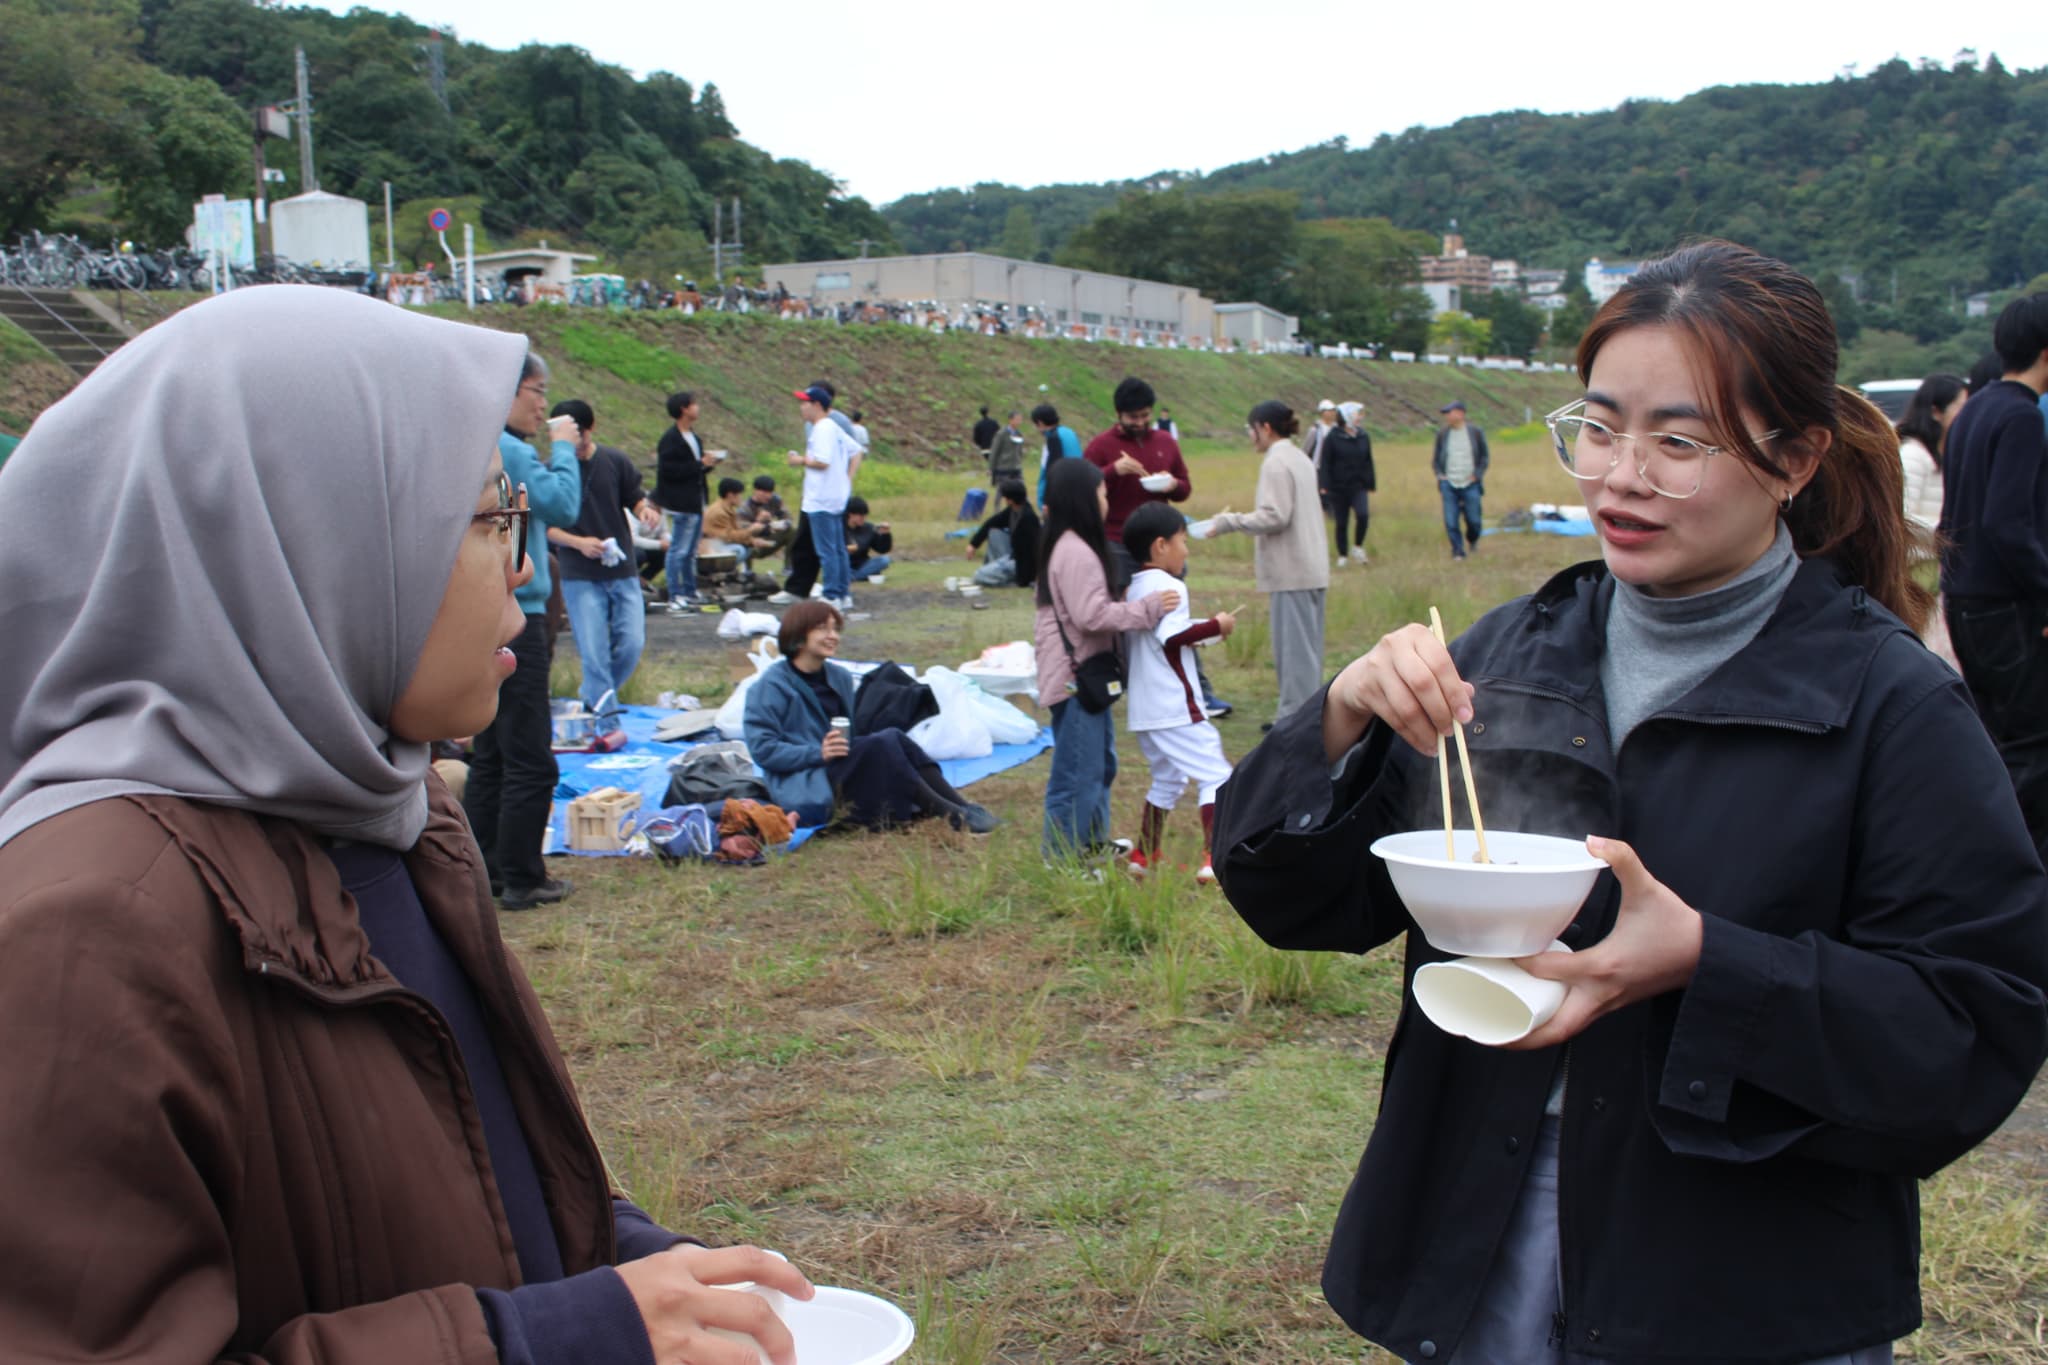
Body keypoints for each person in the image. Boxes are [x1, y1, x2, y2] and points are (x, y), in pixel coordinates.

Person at [1212, 240, 2048, 1365]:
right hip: (1479, 1214)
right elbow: (1292, 901)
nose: (1618, 475)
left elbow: (1970, 1032)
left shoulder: (1888, 704)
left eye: (1679, 440)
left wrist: (1710, 961)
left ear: (1793, 459)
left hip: (1737, 1273)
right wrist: (1337, 716)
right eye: (1598, 428)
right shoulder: (1505, 656)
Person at [0, 285, 816, 1363]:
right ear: (303, 550)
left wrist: (636, 1268)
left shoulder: (396, 813)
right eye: (485, 521)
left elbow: (480, 1173)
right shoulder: (88, 922)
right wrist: (556, 1341)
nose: (523, 572)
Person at [468, 350, 581, 910]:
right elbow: (562, 503)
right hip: (519, 614)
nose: (544, 405)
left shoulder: (476, 445)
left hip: (482, 613)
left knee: (491, 749)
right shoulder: (511, 450)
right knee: (530, 753)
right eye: (538, 392)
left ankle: (484, 868)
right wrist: (563, 446)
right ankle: (523, 875)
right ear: (509, 391)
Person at [1940, 292, 2048, 857]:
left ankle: (1984, 851)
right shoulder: (2022, 416)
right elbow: (2009, 524)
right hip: (2006, 605)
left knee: (1995, 738)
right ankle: (2022, 865)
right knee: (2033, 741)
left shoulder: (1973, 410)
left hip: (1964, 599)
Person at [742, 601, 999, 833]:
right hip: (804, 782)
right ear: (798, 635)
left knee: (893, 738)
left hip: (836, 768)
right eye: (823, 629)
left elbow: (851, 736)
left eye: (835, 629)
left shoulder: (838, 677)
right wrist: (816, 752)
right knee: (884, 741)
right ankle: (951, 814)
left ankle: (962, 807)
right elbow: (763, 750)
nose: (833, 636)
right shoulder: (770, 687)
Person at [1035, 458, 1179, 866]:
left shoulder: (1072, 545)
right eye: (1101, 493)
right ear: (1082, 498)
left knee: (1099, 763)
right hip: (1074, 676)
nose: (1105, 500)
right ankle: (1062, 859)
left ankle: (1092, 841)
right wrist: (1147, 608)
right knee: (1076, 772)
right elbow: (1092, 616)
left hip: (1082, 673)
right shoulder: (1075, 551)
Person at [1119, 502, 1235, 885]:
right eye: (1182, 540)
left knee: (1166, 780)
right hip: (1174, 704)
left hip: (1145, 709)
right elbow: (1173, 637)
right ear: (1160, 546)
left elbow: (1163, 636)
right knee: (1216, 775)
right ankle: (1213, 859)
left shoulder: (1133, 587)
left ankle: (1143, 856)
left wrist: (1211, 630)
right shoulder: (1171, 586)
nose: (1186, 549)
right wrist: (1215, 625)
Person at [1202, 401, 1329, 727]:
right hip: (1311, 568)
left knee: (1294, 654)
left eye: (1252, 430)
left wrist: (1229, 521)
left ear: (1265, 428)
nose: (1251, 437)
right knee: (1308, 652)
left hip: (1292, 570)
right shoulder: (1299, 456)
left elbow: (1275, 515)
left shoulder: (1277, 462)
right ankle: (1305, 718)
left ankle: (1293, 723)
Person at [547, 400, 660, 725]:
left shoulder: (614, 461)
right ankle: (606, 722)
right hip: (579, 573)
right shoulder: (551, 469)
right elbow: (546, 526)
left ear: (590, 430)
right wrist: (578, 543)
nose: (576, 449)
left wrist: (644, 512)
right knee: (593, 651)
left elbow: (634, 497)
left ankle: (592, 695)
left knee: (631, 643)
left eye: (579, 440)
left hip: (621, 568)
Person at [1083, 376, 1192, 583]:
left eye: (1145, 415)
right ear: (1118, 414)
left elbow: (1185, 488)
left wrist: (1172, 484)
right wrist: (1113, 470)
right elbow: (1082, 489)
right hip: (1116, 542)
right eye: (1133, 417)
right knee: (1121, 603)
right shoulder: (1100, 445)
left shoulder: (1166, 442)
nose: (1140, 422)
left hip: (1160, 544)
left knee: (1168, 602)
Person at [772, 384, 860, 610]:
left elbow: (822, 461)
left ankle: (831, 595)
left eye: (805, 403)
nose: (802, 408)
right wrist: (846, 479)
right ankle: (842, 593)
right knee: (838, 547)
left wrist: (798, 460)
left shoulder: (822, 428)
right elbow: (856, 451)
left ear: (817, 405)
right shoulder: (834, 427)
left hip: (821, 499)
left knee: (827, 550)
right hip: (835, 496)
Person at [654, 390, 721, 613]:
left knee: (691, 551)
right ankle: (675, 594)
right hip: (681, 502)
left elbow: (695, 470)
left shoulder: (694, 437)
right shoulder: (670, 440)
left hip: (696, 499)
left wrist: (707, 464)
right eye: (694, 404)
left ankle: (690, 592)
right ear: (684, 409)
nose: (697, 408)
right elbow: (669, 471)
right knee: (678, 550)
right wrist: (698, 464)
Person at [1899, 373, 1967, 533]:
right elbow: (1904, 517)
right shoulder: (1913, 455)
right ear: (1935, 412)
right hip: (1921, 556)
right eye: (1962, 408)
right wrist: (1948, 532)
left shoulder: (1948, 454)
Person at [1321, 401, 1376, 567]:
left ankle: (1358, 547)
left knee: (1363, 515)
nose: (1360, 418)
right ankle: (1343, 554)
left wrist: (1370, 482)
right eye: (1356, 414)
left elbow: (1368, 461)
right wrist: (1324, 485)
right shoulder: (1333, 437)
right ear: (1347, 416)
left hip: (1358, 486)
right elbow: (1326, 462)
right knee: (1342, 522)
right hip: (1338, 487)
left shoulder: (1363, 436)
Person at [1432, 399, 1490, 559]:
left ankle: (1472, 540)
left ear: (1461, 413)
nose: (1447, 416)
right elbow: (1436, 459)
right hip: (1449, 483)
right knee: (1450, 520)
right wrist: (1440, 476)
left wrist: (1477, 475)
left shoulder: (1475, 432)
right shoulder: (1443, 434)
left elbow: (1484, 457)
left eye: (1449, 412)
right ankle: (1457, 550)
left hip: (1470, 483)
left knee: (1474, 520)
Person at [968, 478, 1041, 588]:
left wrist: (1037, 576)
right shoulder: (1012, 511)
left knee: (979, 575)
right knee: (994, 531)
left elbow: (1038, 546)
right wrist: (973, 544)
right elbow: (991, 523)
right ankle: (996, 570)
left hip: (1022, 565)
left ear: (1010, 500)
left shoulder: (1028, 518)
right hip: (1013, 556)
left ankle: (1012, 582)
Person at [706, 475, 778, 567]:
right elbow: (728, 536)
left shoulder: (726, 508)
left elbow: (734, 532)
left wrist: (753, 541)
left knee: (747, 547)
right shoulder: (719, 512)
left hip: (717, 544)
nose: (741, 498)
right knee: (739, 550)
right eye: (739, 494)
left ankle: (728, 571)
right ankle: (718, 572)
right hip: (710, 547)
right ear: (730, 495)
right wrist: (751, 530)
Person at [1032, 402, 1082, 510]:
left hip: (1060, 499)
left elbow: (1053, 470)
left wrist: (1046, 500)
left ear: (1040, 423)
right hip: (1078, 491)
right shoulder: (1069, 432)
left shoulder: (1053, 438)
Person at [748, 474, 798, 558]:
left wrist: (778, 524)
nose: (768, 495)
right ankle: (747, 569)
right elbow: (741, 531)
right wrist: (758, 521)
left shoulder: (775, 500)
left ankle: (789, 568)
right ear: (755, 490)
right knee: (742, 540)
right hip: (752, 542)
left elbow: (788, 518)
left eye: (770, 492)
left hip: (770, 538)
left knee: (792, 531)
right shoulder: (746, 506)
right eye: (764, 492)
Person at [845, 495, 892, 584]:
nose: (864, 518)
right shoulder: (839, 528)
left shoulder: (868, 528)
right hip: (845, 565)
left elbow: (882, 549)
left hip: (863, 565)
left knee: (884, 560)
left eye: (865, 515)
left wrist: (885, 534)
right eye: (860, 515)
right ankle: (857, 576)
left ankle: (854, 577)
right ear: (850, 514)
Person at [987, 409, 1027, 487]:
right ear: (1010, 420)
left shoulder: (1019, 434)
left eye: (1020, 420)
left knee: (1020, 489)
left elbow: (1019, 450)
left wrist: (1020, 457)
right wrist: (990, 468)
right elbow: (994, 451)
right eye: (1017, 420)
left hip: (1016, 467)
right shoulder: (1001, 434)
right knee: (1002, 490)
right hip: (1003, 468)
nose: (1019, 422)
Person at [1303, 398, 1338, 474]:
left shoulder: (1337, 430)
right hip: (1317, 467)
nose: (1332, 413)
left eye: (1333, 410)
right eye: (1329, 410)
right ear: (1322, 412)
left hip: (1333, 467)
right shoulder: (1314, 430)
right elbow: (1306, 450)